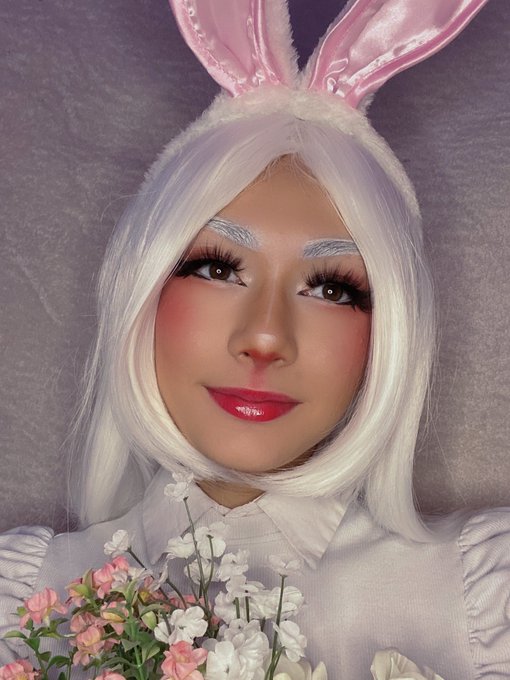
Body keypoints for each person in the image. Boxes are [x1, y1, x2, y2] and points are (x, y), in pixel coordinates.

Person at [0, 1, 508, 678]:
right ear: (142, 289)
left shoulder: (480, 603)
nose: (266, 336)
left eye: (332, 288)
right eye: (217, 268)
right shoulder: (25, 604)